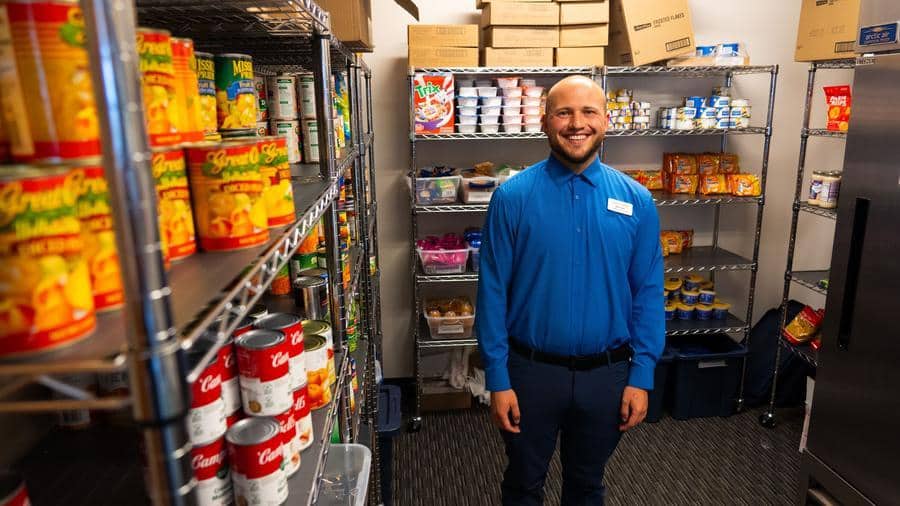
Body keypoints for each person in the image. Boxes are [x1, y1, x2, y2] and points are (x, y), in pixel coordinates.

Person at [475, 75, 665, 505]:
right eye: (564, 112)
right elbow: (492, 294)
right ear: (545, 122)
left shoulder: (637, 201)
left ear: (606, 121)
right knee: (523, 483)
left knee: (587, 484)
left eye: (588, 112)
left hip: (608, 376)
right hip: (530, 375)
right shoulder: (512, 198)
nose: (576, 123)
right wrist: (498, 378)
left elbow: (649, 293)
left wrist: (642, 375)